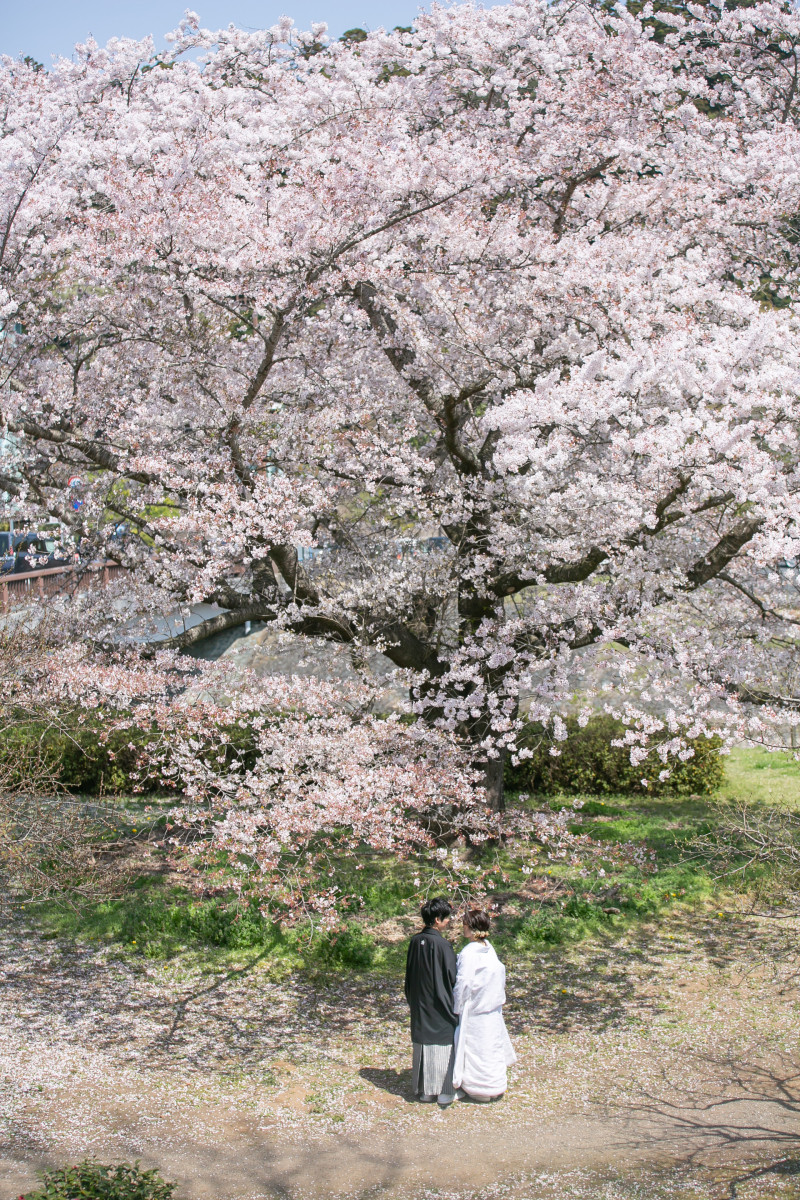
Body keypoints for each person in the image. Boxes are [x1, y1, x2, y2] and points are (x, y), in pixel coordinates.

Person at [453, 909, 516, 1102]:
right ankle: (493, 1086)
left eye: (464, 924)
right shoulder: (489, 949)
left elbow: (463, 982)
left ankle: (480, 1087)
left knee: (477, 1049)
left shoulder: (469, 953)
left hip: (477, 1009)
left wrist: (457, 1006)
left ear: (471, 928)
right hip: (491, 1007)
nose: (462, 927)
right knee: (490, 1048)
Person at [404, 896, 458, 1107]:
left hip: (419, 1003)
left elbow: (409, 974)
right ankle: (444, 1091)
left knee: (423, 1044)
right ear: (437, 919)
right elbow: (452, 977)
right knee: (443, 1043)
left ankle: (425, 1090)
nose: (448, 923)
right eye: (446, 919)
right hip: (439, 1005)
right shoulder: (443, 945)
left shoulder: (415, 942)